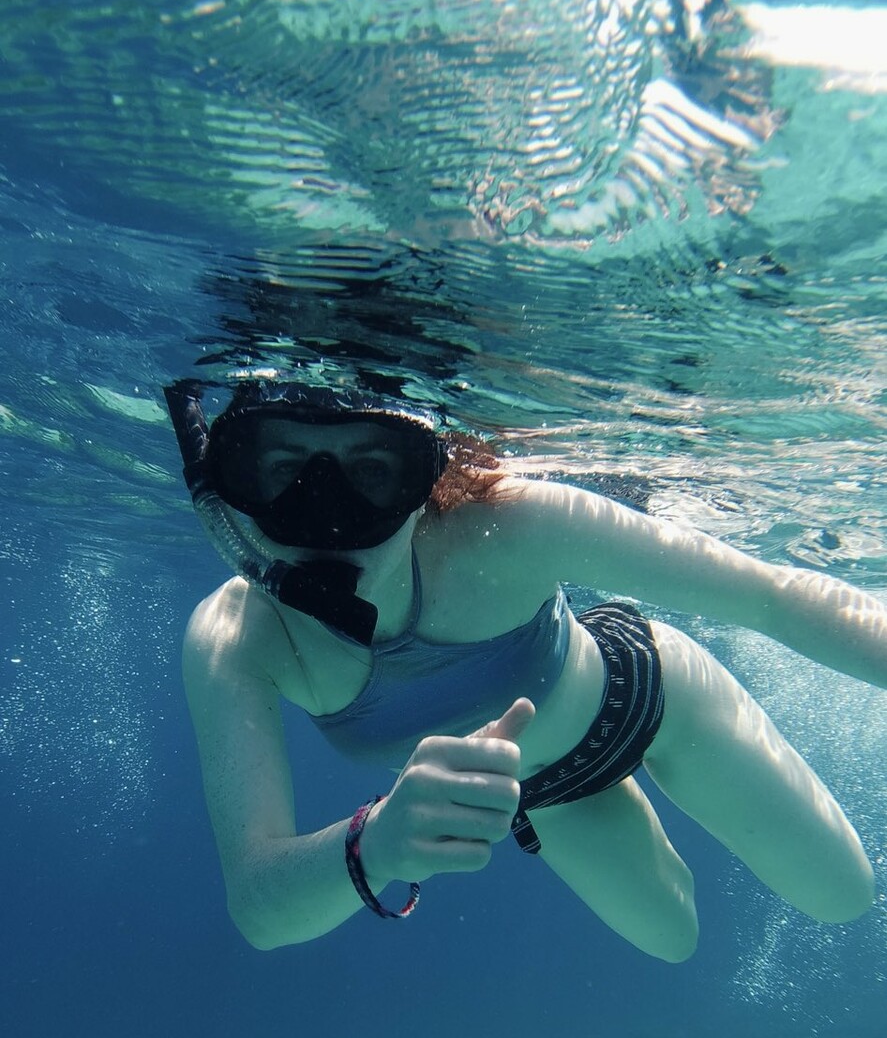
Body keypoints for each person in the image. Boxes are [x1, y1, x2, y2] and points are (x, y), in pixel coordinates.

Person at [165, 376, 886, 961]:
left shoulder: (506, 523)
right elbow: (258, 907)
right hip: (543, 795)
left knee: (841, 895)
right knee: (673, 940)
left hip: (650, 697)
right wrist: (376, 842)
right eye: (283, 469)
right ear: (231, 483)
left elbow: (771, 596)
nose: (323, 512)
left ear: (424, 479)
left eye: (374, 471)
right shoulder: (236, 638)